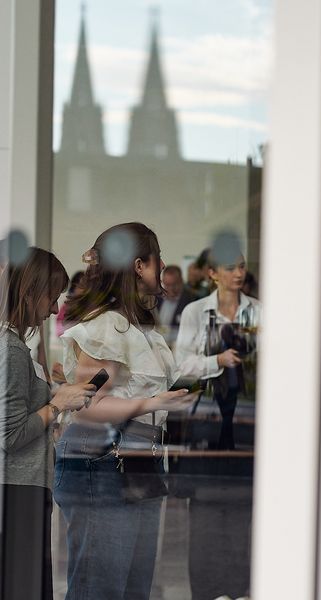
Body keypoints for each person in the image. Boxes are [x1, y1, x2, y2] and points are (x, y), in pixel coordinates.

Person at [53, 222, 196, 600]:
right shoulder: (108, 324)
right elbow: (88, 405)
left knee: (132, 588)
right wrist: (152, 403)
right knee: (100, 589)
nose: (162, 265)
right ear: (138, 265)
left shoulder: (136, 326)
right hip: (102, 464)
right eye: (157, 258)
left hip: (136, 463)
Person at [0, 247, 97, 600]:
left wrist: (56, 395)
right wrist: (57, 405)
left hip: (23, 487)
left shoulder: (14, 346)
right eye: (51, 297)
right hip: (17, 489)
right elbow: (10, 435)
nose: (55, 309)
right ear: (28, 293)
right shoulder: (10, 349)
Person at [175, 231, 261, 600]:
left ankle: (240, 590)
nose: (238, 273)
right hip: (207, 417)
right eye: (231, 268)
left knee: (244, 511)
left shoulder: (259, 311)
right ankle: (208, 591)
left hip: (246, 417)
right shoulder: (196, 312)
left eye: (242, 266)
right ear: (213, 274)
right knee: (206, 512)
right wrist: (217, 360)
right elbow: (181, 365)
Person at [156, 265, 196, 348]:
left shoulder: (191, 300)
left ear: (181, 281)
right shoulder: (155, 298)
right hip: (157, 346)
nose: (170, 289)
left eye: (174, 285)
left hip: (180, 347)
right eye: (167, 285)